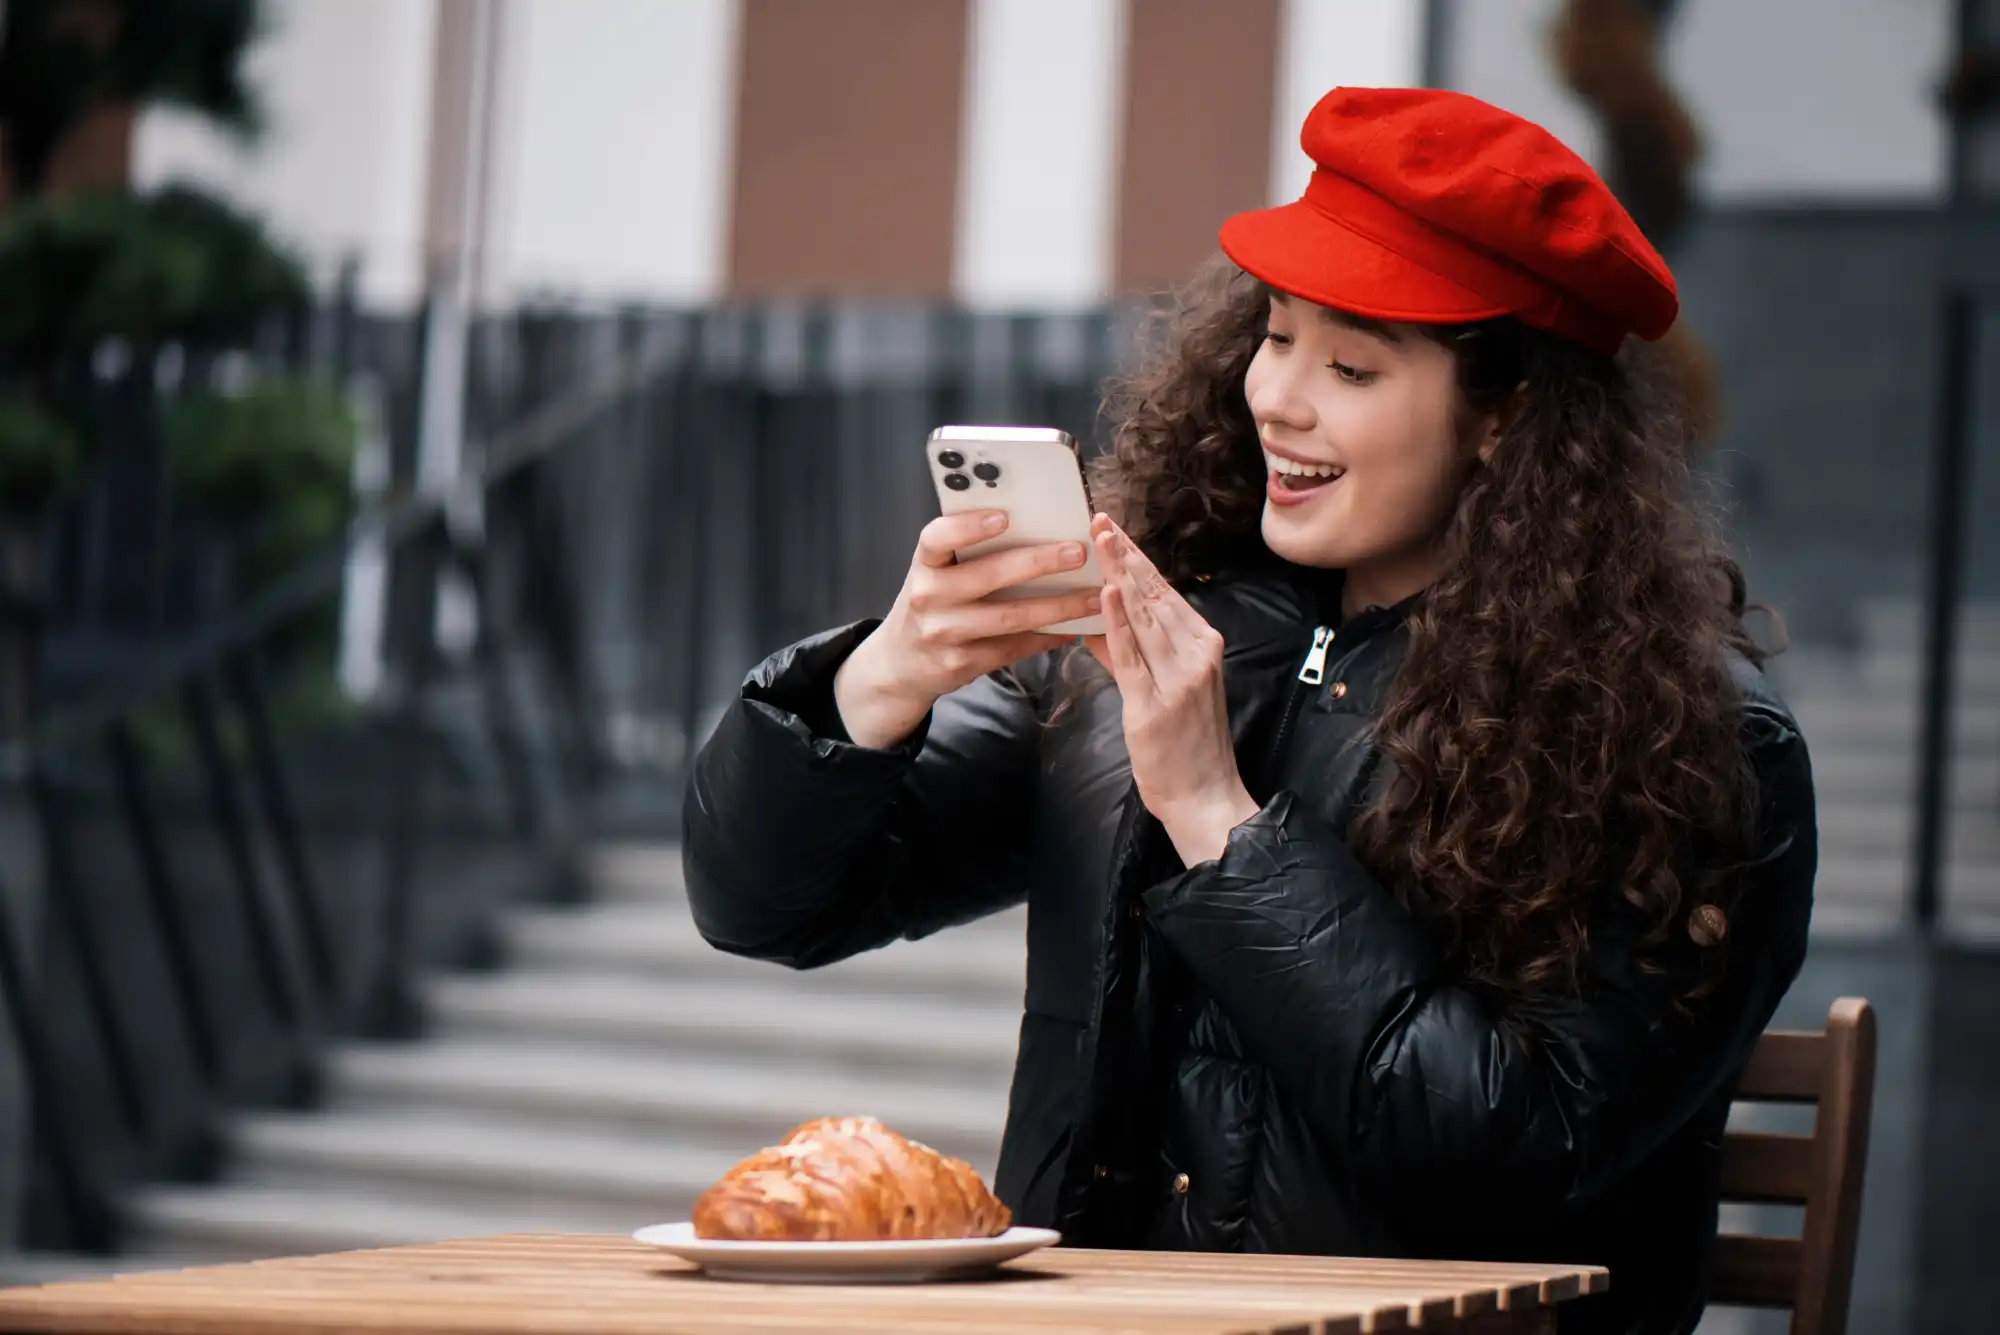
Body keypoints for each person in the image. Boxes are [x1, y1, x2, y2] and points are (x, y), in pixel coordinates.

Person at [682, 87, 1815, 1335]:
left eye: (1349, 364)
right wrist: (883, 678)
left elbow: (1515, 1154)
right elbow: (764, 903)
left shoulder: (1682, 741)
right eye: (1273, 335)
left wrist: (1219, 819)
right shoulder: (1171, 626)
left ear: (1505, 417)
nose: (1276, 396)